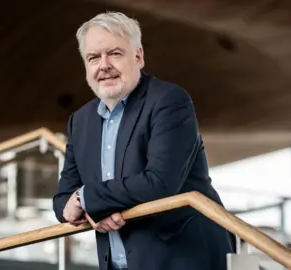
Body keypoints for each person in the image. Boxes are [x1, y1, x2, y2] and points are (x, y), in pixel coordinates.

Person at [52, 11, 234, 270]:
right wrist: (83, 206)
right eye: (93, 57)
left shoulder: (170, 101)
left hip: (182, 260)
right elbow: (62, 199)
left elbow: (159, 183)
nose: (103, 65)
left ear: (138, 56)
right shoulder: (80, 121)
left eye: (115, 53)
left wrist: (86, 199)